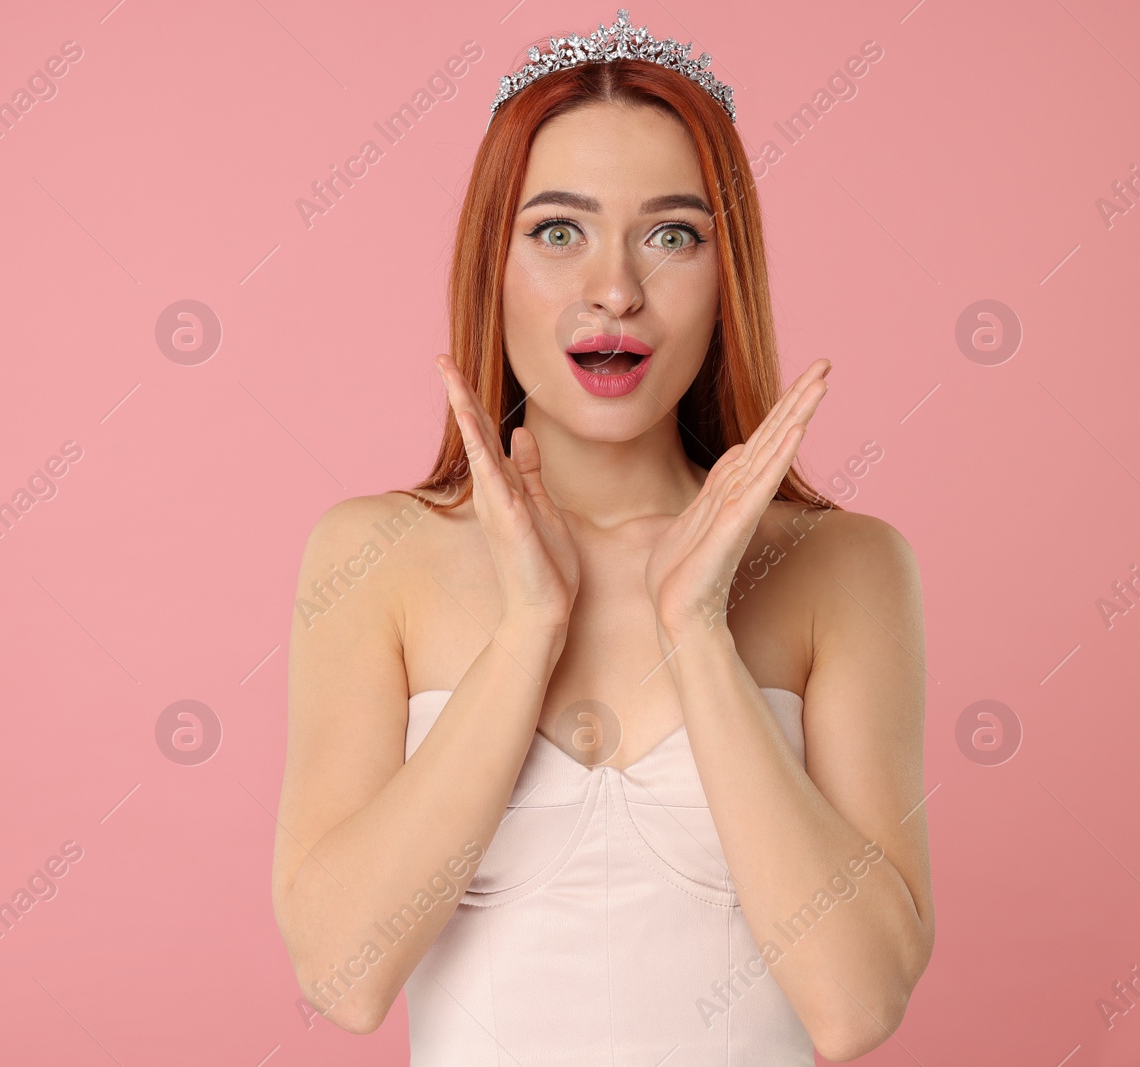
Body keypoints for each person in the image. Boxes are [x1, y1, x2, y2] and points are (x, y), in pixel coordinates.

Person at [271, 10, 934, 1063]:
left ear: (729, 277)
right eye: (557, 230)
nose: (615, 288)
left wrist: (697, 626)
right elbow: (345, 974)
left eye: (672, 234)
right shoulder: (373, 557)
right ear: (491, 262)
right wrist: (530, 625)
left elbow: (856, 1004)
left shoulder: (841, 567)